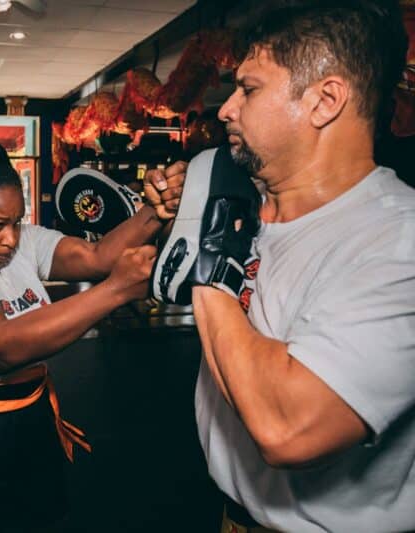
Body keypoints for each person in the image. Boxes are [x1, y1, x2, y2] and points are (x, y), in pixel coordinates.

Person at [188, 3, 414, 532]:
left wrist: (210, 273)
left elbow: (287, 427)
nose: (226, 109)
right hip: (231, 516)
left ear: (324, 100)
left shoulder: (398, 241)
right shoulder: (250, 209)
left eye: (249, 89)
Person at [0, 133, 185, 532]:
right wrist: (115, 291)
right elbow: (3, 346)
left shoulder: (18, 240)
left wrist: (154, 211)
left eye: (16, 221)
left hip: (28, 411)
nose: (10, 238)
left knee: (37, 518)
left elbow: (96, 257)